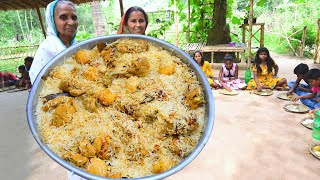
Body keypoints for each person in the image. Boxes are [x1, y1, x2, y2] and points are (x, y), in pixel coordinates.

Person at [29, 0, 78, 84]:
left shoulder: (77, 46)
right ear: (52, 21)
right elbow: (39, 82)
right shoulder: (47, 48)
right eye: (63, 17)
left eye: (74, 17)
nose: (71, 22)